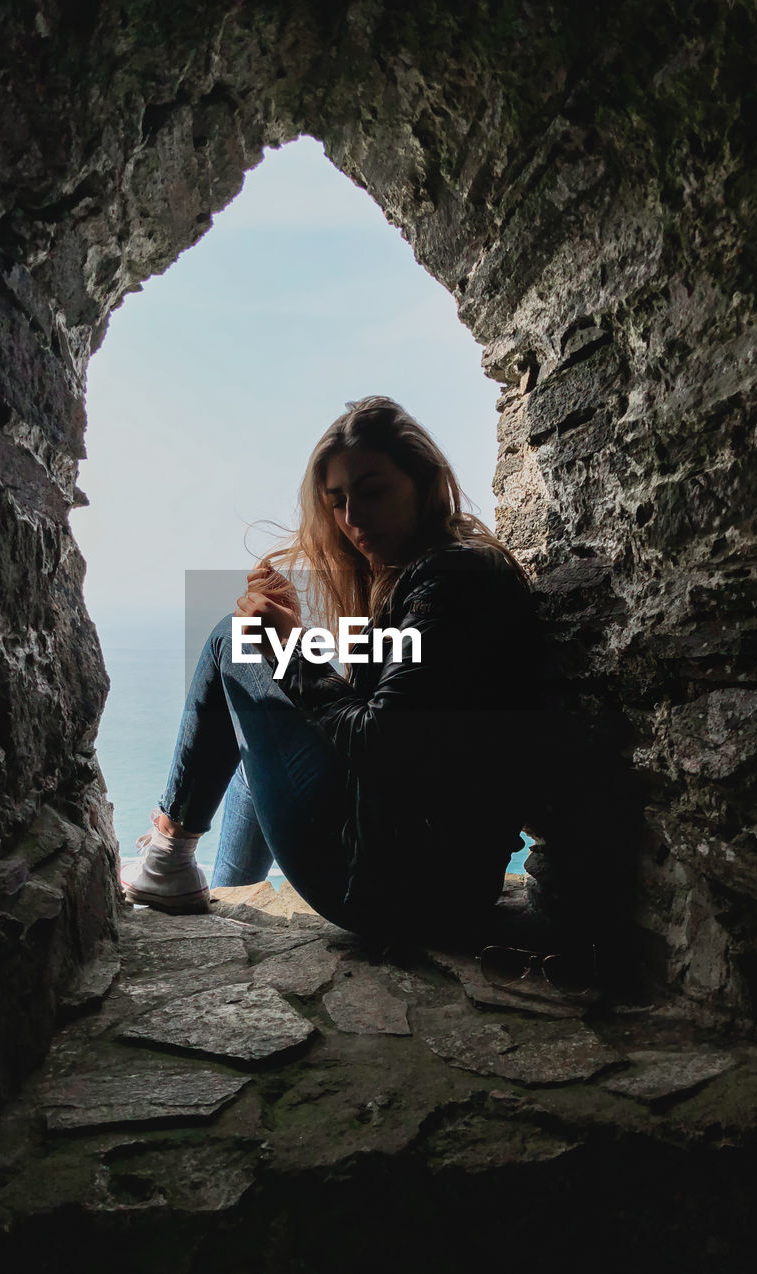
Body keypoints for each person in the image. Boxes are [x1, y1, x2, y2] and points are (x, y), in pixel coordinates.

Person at [122, 395, 538, 947]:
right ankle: (213, 894)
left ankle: (170, 854)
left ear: (424, 481)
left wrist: (289, 650)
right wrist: (295, 643)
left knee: (232, 637)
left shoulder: (448, 581)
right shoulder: (441, 572)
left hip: (391, 890)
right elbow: (400, 723)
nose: (352, 519)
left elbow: (378, 740)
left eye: (372, 491)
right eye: (337, 501)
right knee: (256, 744)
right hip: (442, 879)